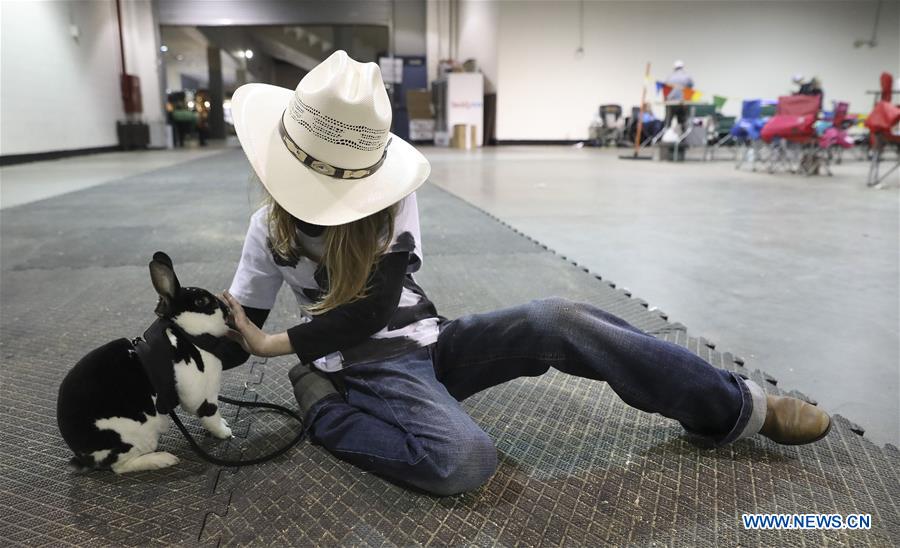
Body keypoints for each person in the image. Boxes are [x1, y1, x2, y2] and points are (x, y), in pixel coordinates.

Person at [219, 51, 831, 497]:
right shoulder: (266, 232)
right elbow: (239, 336)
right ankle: (325, 410)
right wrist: (173, 348)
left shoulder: (387, 197)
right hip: (365, 372)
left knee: (557, 318)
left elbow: (377, 308)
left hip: (433, 341)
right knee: (463, 462)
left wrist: (275, 344)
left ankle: (736, 409)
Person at [664, 60, 694, 132]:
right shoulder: (687, 77)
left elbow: (665, 91)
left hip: (671, 103)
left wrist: (666, 101)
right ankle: (683, 138)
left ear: (674, 68)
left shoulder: (669, 77)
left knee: (668, 122)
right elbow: (690, 89)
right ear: (682, 67)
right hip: (683, 103)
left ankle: (665, 137)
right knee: (683, 121)